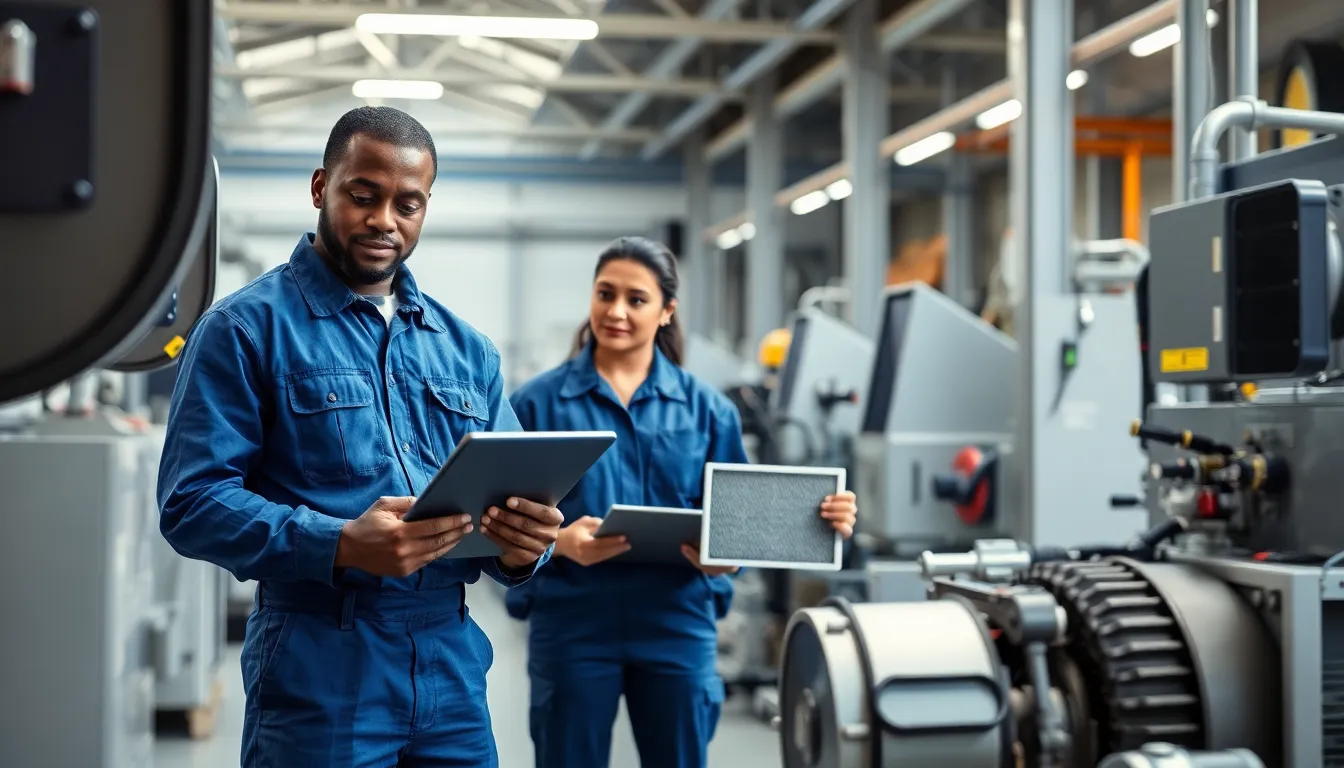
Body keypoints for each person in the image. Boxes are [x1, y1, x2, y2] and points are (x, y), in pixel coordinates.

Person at [157, 106, 563, 767]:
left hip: (450, 664)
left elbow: (508, 500)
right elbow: (191, 502)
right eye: (363, 195)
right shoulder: (243, 330)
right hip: (320, 657)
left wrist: (523, 549)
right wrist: (340, 543)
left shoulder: (467, 352)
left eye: (409, 203)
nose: (385, 221)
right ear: (322, 188)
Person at [506, 237, 859, 768]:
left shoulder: (708, 411)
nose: (616, 311)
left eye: (636, 299)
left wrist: (812, 521)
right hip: (573, 622)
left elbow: (738, 522)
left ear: (667, 310)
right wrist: (558, 542)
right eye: (605, 294)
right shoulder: (536, 403)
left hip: (676, 621)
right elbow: (500, 521)